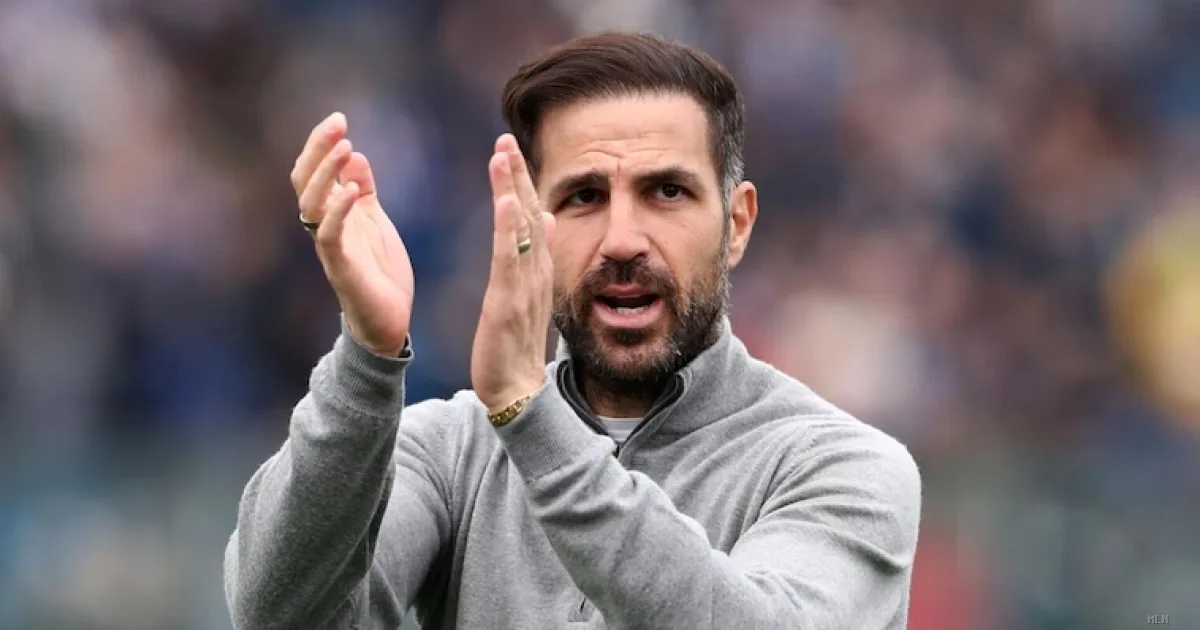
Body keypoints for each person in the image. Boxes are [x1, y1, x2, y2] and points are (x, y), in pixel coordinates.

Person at [224, 32, 922, 629]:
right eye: (584, 196)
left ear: (735, 225)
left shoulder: (842, 468)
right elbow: (279, 616)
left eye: (666, 192)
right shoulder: (450, 453)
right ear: (531, 219)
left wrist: (530, 419)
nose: (622, 239)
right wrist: (367, 359)